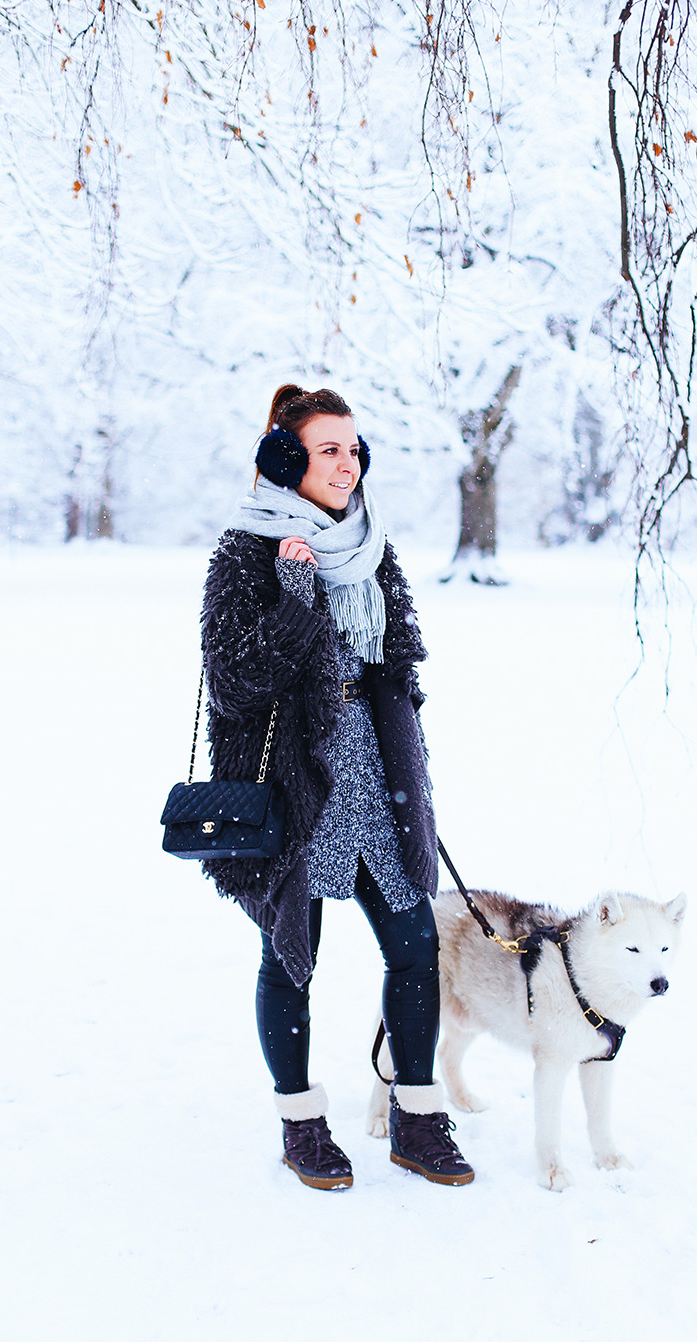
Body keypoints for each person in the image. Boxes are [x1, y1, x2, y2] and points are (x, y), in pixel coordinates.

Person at [200, 384, 474, 1191]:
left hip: (376, 778)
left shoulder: (371, 544)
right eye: (328, 449)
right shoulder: (245, 552)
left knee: (416, 946)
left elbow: (402, 655)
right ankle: (301, 1124)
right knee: (293, 956)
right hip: (294, 783)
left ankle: (417, 1118)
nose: (347, 464)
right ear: (286, 459)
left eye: (354, 449)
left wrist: (402, 736)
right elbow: (234, 682)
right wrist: (294, 599)